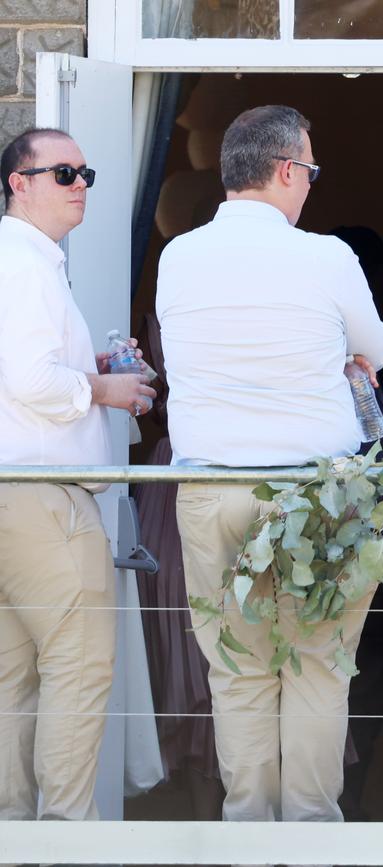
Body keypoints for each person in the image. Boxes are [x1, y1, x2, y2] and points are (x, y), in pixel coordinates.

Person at [156, 105, 383, 836]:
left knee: (237, 670)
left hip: (211, 487)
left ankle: (248, 833)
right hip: (313, 490)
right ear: (288, 170)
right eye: (311, 171)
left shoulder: (178, 257)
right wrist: (342, 355)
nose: (311, 186)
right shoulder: (324, 257)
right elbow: (376, 349)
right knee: (318, 666)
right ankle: (313, 833)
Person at [0, 128, 155, 823]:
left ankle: (17, 834)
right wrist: (103, 390)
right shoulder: (22, 263)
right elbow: (29, 377)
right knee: (79, 666)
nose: (81, 183)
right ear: (19, 183)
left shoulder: (27, 264)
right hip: (44, 500)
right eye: (63, 172)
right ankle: (64, 838)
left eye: (85, 171)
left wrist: (89, 367)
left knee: (14, 681)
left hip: (17, 493)